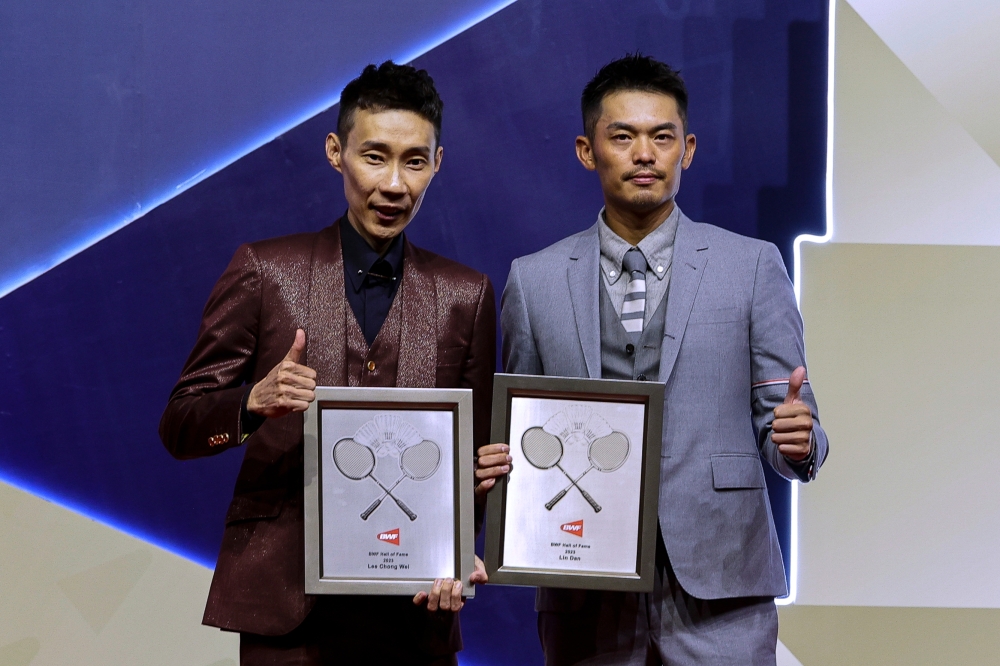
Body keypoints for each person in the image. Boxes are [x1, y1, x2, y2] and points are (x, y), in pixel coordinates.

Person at [476, 54, 828, 665]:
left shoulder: (751, 267)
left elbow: (789, 422)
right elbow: (524, 435)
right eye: (623, 136)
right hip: (584, 585)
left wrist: (800, 442)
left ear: (686, 150)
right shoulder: (532, 282)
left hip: (722, 585)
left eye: (662, 137)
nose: (645, 154)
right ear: (588, 151)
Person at [160, 61, 495, 666]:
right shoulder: (265, 270)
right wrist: (251, 402)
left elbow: (473, 458)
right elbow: (180, 425)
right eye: (374, 156)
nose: (394, 184)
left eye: (414, 161)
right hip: (287, 614)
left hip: (413, 613)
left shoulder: (464, 295)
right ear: (335, 151)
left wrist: (456, 549)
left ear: (437, 165)